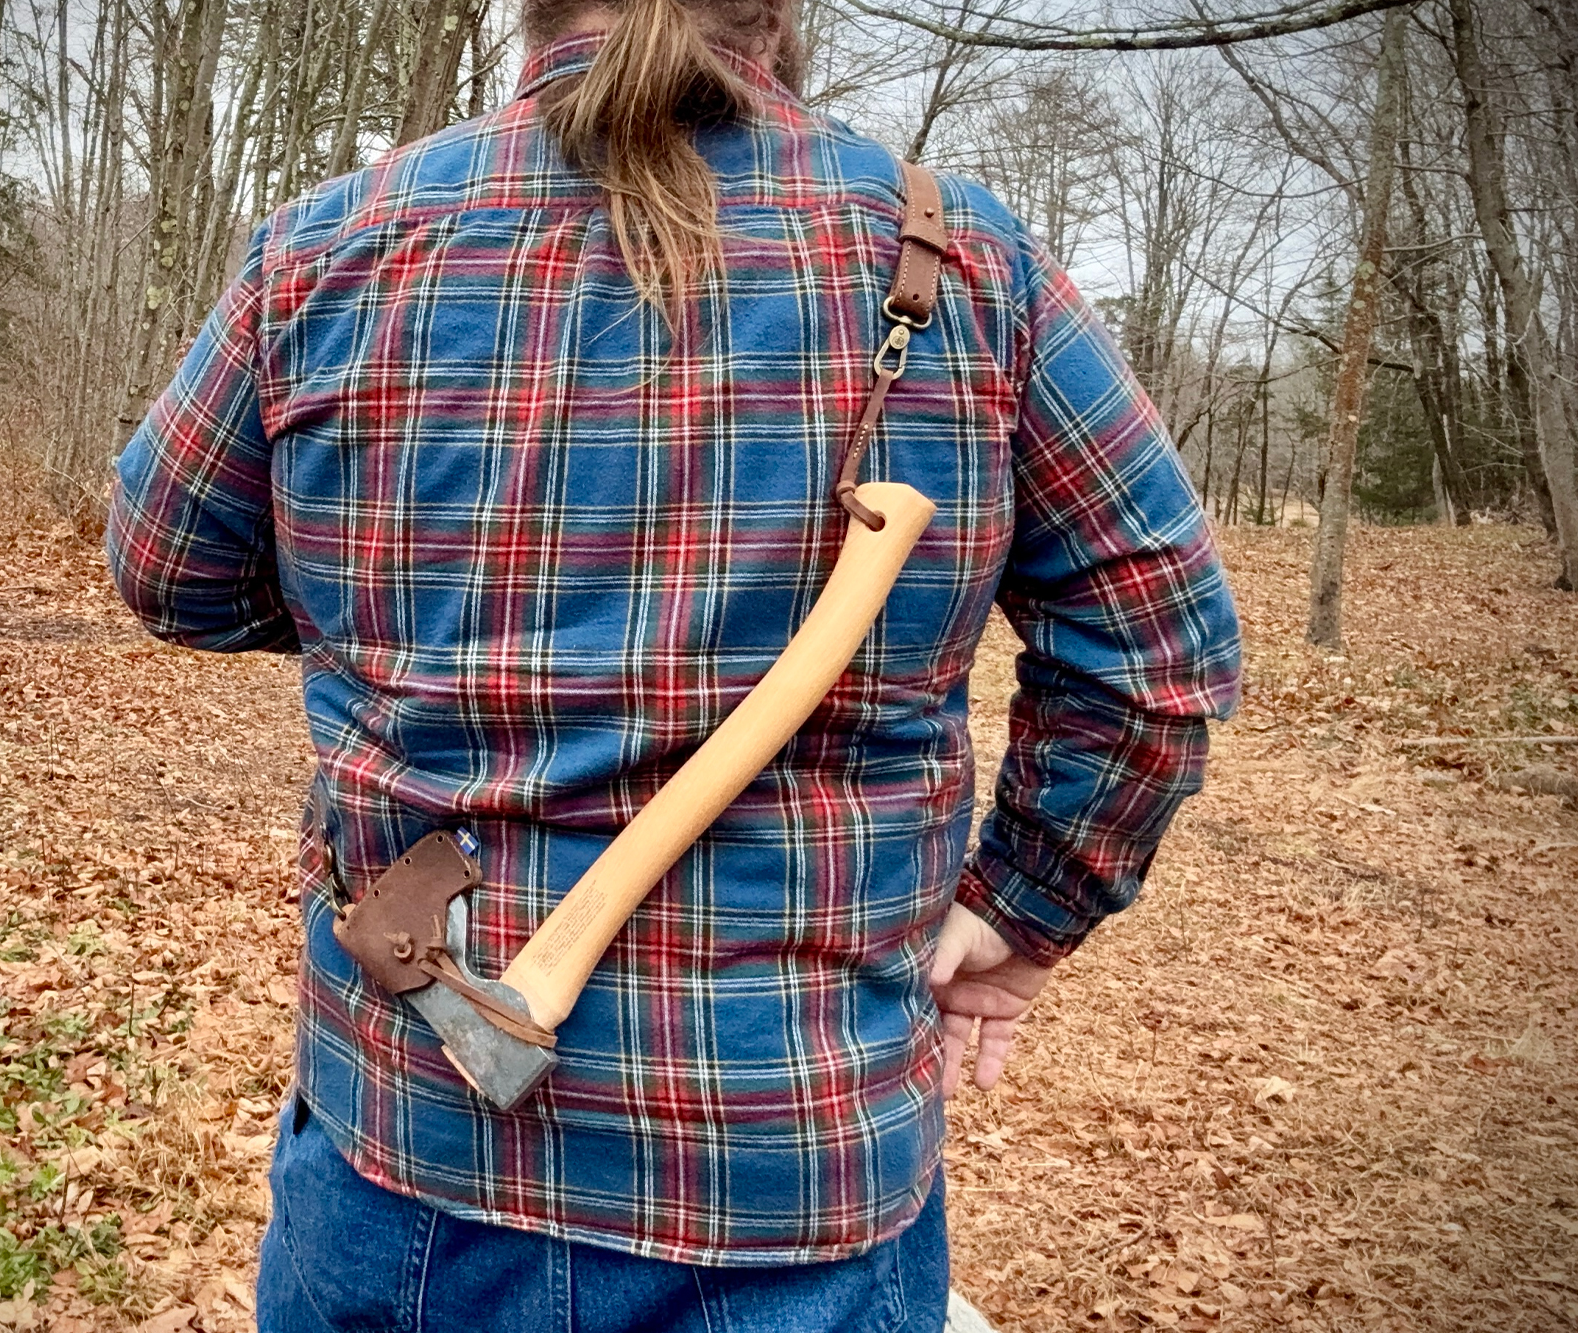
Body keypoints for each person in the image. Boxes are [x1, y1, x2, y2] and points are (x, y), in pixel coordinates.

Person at [106, 0, 1242, 1327]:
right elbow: (1160, 649)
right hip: (791, 1170)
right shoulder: (963, 258)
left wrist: (391, 628)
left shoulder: (331, 247)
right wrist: (1023, 909)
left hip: (408, 1159)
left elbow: (172, 570)